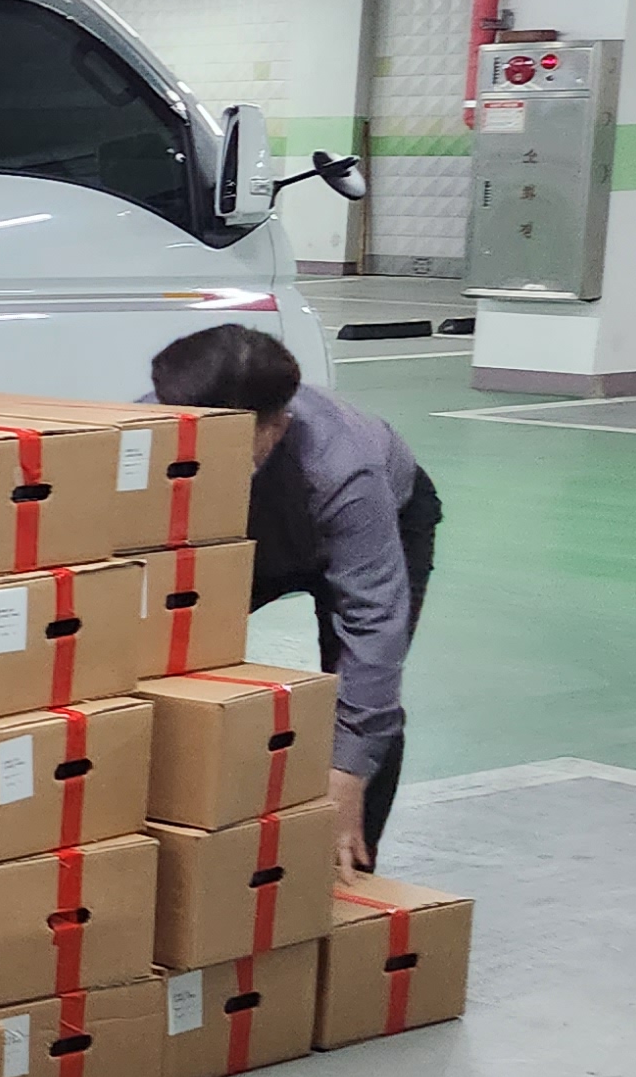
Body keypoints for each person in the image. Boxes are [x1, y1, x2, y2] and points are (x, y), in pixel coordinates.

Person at [150, 324, 444, 871]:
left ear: (276, 428)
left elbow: (373, 625)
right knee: (174, 656)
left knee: (360, 690)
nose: (205, 453)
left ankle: (349, 865)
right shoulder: (148, 429)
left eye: (229, 442)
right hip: (244, 527)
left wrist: (349, 770)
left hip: (376, 523)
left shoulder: (345, 468)